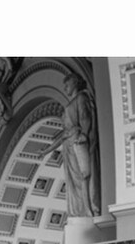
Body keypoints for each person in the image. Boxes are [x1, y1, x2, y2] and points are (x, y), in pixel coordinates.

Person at [41, 73, 100, 218]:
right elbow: (63, 135)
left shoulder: (81, 98)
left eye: (67, 84)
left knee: (82, 178)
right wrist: (47, 150)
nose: (65, 87)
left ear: (74, 83)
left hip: (77, 143)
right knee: (74, 183)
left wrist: (84, 135)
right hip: (69, 145)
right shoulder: (74, 101)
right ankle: (80, 211)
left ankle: (87, 210)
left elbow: (85, 118)